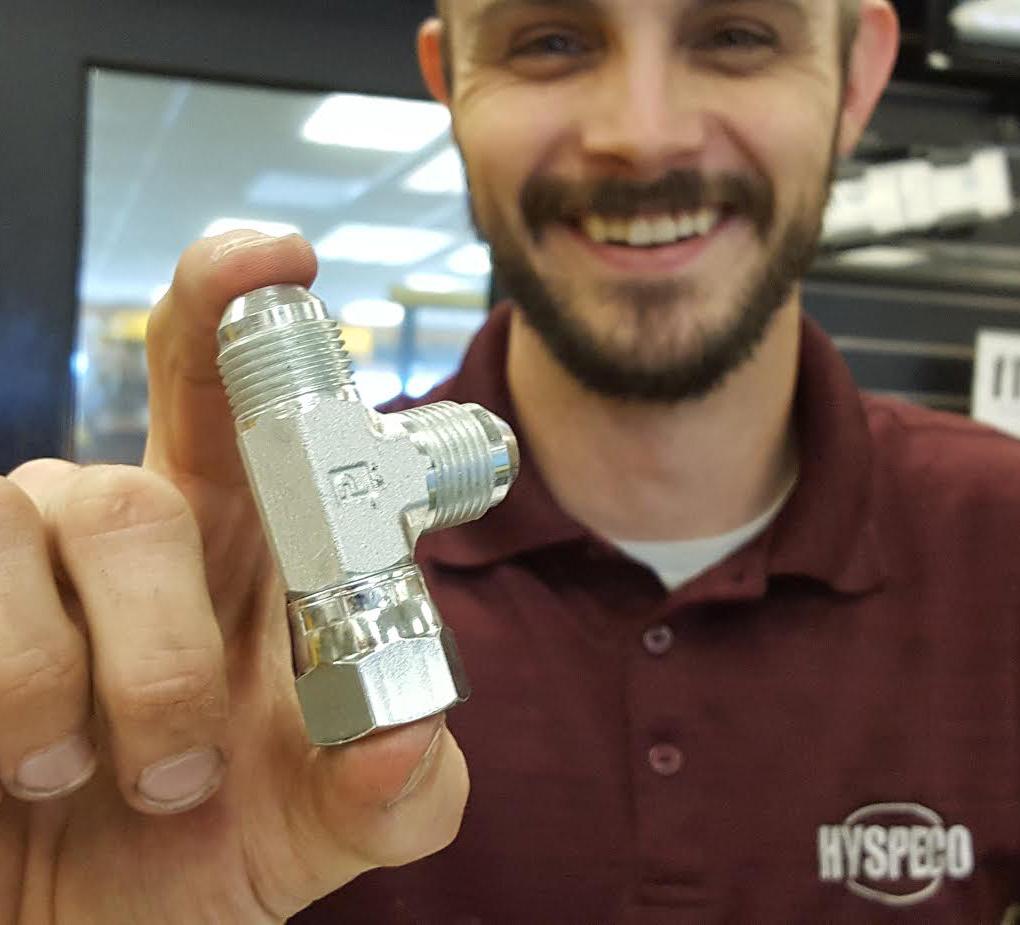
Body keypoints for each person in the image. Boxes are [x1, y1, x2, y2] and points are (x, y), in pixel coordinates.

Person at [3, 0, 1018, 921]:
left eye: (737, 34)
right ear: (451, 83)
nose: (643, 134)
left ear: (859, 75)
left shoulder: (1003, 534)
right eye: (552, 39)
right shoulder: (249, 612)